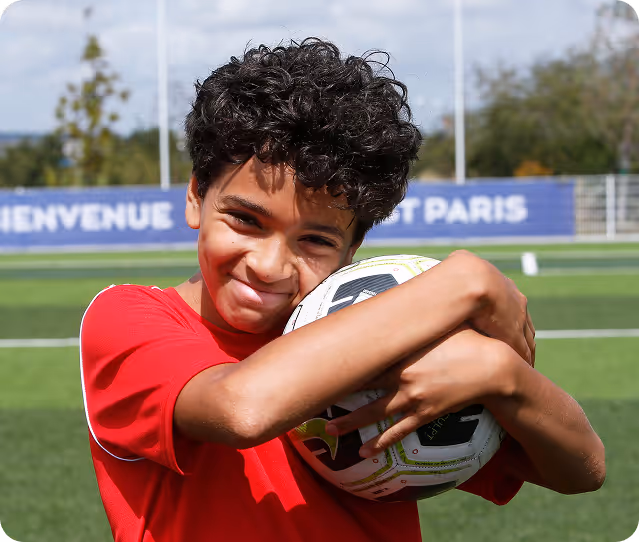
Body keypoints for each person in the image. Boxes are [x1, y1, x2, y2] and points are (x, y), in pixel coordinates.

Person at [80, 39, 605, 542]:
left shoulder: (381, 327)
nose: (267, 265)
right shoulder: (128, 318)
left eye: (315, 240)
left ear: (353, 249)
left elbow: (582, 469)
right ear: (196, 196)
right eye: (244, 220)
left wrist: (504, 376)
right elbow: (240, 408)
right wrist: (467, 279)